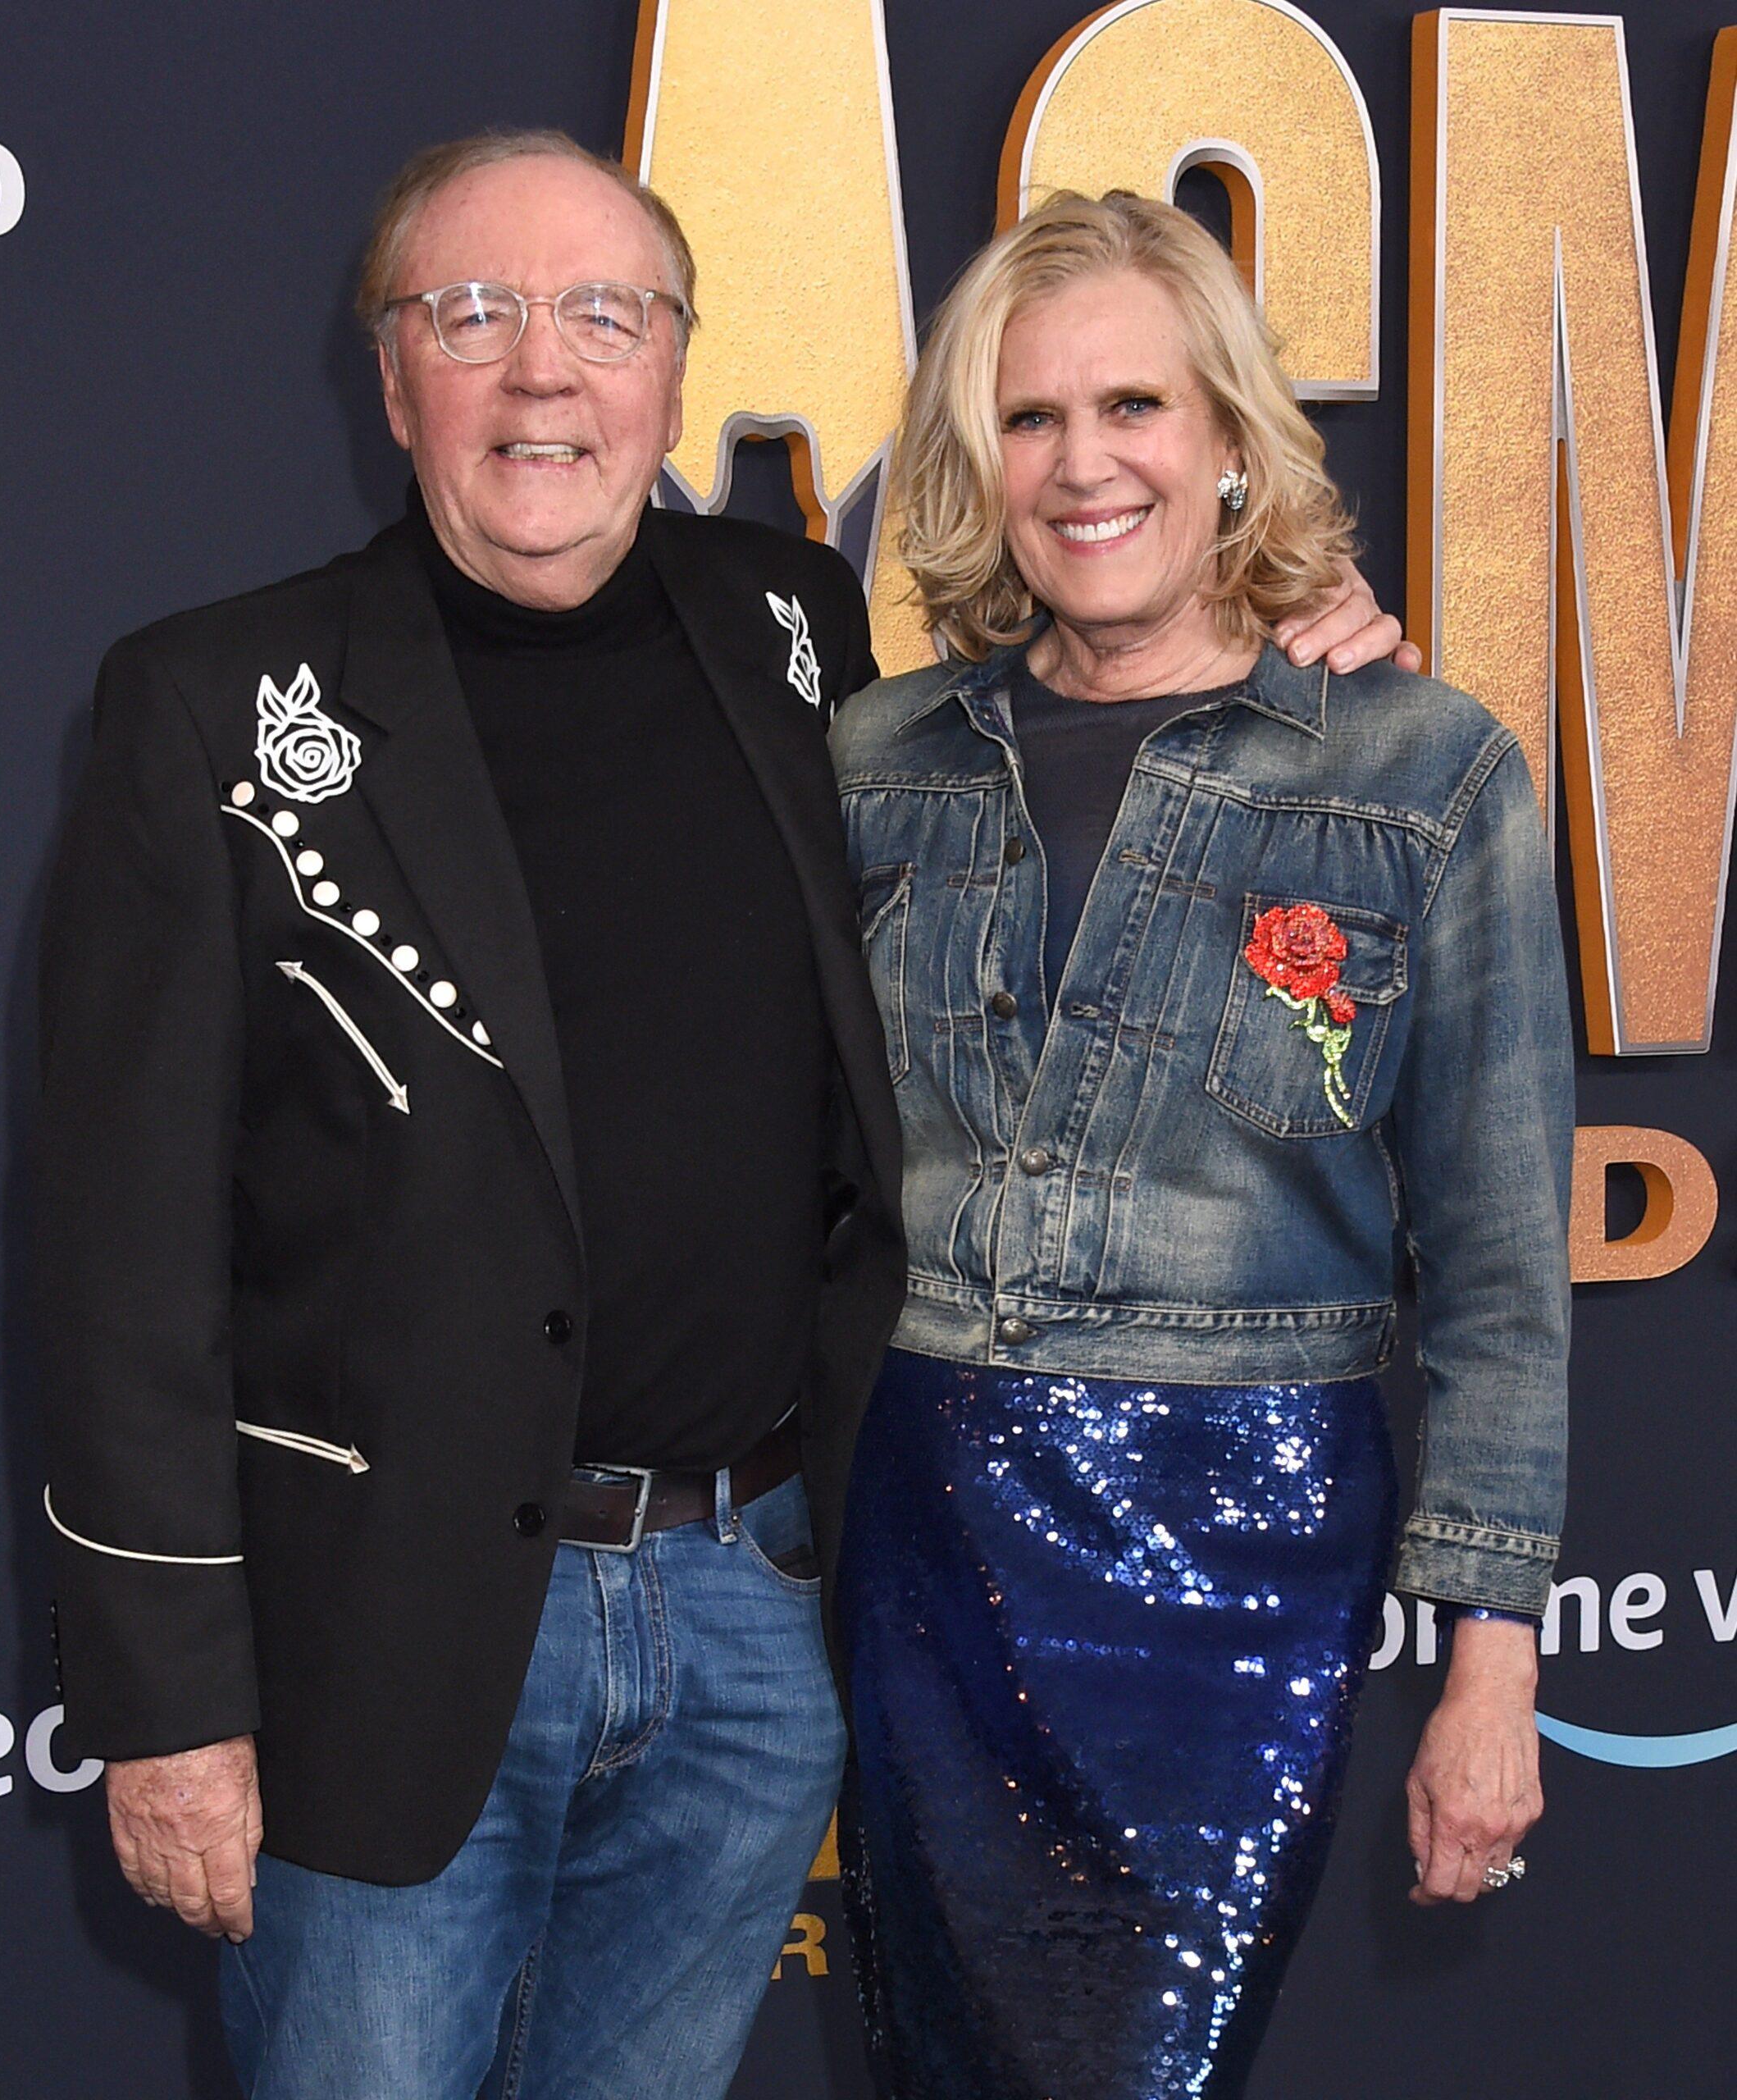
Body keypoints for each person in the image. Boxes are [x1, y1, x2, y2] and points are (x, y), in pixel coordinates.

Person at [35, 131, 1409, 2098]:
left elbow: (1073, 762)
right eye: (474, 314)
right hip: (389, 1645)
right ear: (390, 365)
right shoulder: (211, 703)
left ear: (675, 363)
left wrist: (1296, 646)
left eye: (605, 316)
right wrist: (167, 1707)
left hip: (756, 1619)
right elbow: (118, 1256)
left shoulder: (795, 633)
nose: (542, 375)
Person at [827, 189, 1570, 2100]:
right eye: (1027, 416)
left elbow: (1495, 1268)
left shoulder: (1419, 769)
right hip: (924, 1523)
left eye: (1134, 409)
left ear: (1228, 440)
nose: (1083, 465)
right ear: (973, 460)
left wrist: (1491, 1668)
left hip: (1243, 1535)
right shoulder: (872, 761)